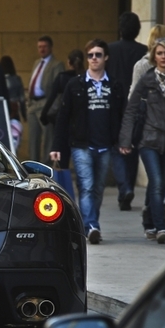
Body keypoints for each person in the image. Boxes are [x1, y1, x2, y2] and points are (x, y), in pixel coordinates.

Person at [52, 39, 126, 244]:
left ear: (106, 58)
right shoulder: (75, 84)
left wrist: (123, 140)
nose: (94, 58)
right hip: (81, 145)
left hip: (105, 145)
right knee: (86, 185)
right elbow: (63, 116)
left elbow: (122, 115)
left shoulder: (115, 85)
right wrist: (57, 147)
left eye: (98, 55)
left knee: (98, 189)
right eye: (91, 55)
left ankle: (91, 222)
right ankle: (91, 226)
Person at [118, 39, 165, 244]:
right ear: (154, 57)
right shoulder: (146, 80)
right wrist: (125, 139)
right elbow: (131, 110)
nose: (163, 57)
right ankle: (161, 227)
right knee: (157, 182)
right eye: (159, 53)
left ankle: (148, 221)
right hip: (148, 140)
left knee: (158, 183)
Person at [106, 12, 149, 211]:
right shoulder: (144, 51)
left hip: (115, 105)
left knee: (116, 148)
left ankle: (125, 189)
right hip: (138, 105)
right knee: (132, 150)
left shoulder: (111, 50)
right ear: (138, 30)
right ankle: (127, 189)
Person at [40, 49, 85, 169]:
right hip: (81, 124)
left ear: (68, 62)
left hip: (64, 122)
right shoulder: (86, 78)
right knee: (82, 161)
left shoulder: (62, 78)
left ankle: (65, 181)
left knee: (63, 158)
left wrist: (44, 115)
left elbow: (52, 98)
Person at [27, 36, 64, 164]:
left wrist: (52, 108)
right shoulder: (36, 62)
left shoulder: (56, 64)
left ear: (50, 48)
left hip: (46, 104)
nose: (42, 49)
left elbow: (59, 89)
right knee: (33, 139)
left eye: (44, 47)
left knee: (48, 138)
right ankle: (33, 166)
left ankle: (46, 167)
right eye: (39, 47)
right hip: (33, 104)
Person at [0, 55, 26, 121]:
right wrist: (24, 114)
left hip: (2, 109)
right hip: (14, 110)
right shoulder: (17, 79)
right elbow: (22, 98)